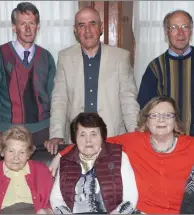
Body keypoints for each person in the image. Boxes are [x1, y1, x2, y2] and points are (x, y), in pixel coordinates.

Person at [49, 96, 194, 214]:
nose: (161, 120)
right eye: (154, 115)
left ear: (175, 120)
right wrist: (61, 154)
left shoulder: (192, 147)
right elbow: (94, 141)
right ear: (146, 120)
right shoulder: (133, 141)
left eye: (168, 115)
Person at [45, 6, 139, 154]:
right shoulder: (65, 57)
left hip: (112, 137)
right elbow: (59, 99)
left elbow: (128, 99)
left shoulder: (120, 57)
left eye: (92, 24)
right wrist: (56, 135)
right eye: (82, 25)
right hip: (77, 139)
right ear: (75, 30)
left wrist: (135, 133)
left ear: (101, 28)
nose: (87, 30)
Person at [137, 9, 194, 144]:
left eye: (185, 27)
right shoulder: (155, 67)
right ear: (166, 32)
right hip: (166, 142)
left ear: (191, 31)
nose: (180, 33)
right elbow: (144, 108)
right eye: (174, 27)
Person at [0, 2, 56, 151]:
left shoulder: (47, 57)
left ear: (38, 26)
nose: (28, 29)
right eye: (23, 24)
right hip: (8, 132)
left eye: (32, 23)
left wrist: (56, 132)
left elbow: (55, 97)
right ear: (14, 27)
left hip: (42, 132)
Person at [49, 112, 138, 214]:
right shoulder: (66, 161)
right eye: (82, 135)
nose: (88, 140)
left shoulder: (119, 156)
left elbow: (130, 197)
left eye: (93, 134)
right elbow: (56, 199)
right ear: (75, 138)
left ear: (102, 137)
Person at [0, 126, 53, 214]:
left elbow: (53, 204)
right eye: (11, 151)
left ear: (29, 154)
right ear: (2, 151)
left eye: (22, 152)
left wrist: (47, 211)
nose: (16, 158)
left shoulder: (42, 170)